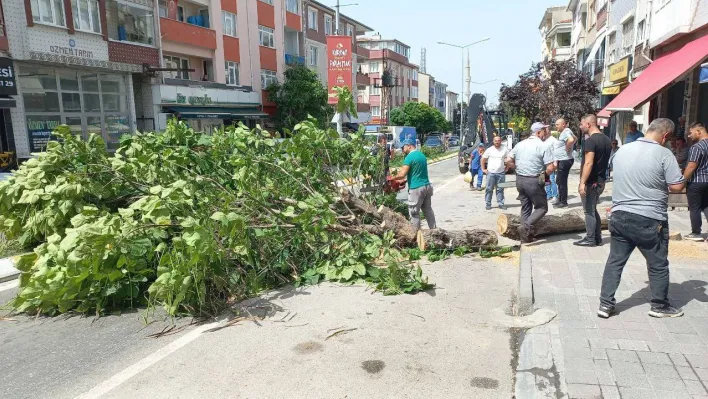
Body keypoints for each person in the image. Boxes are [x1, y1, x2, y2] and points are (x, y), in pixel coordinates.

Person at [598, 118, 686, 319]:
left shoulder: (622, 150)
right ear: (665, 136)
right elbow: (677, 186)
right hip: (649, 219)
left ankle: (605, 304)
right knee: (658, 264)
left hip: (619, 215)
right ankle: (659, 306)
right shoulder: (664, 154)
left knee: (615, 262)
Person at [506, 122, 555, 242]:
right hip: (534, 180)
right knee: (542, 207)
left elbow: (508, 160)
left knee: (526, 207)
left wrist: (517, 168)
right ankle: (525, 226)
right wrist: (544, 176)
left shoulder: (520, 144)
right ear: (538, 132)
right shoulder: (543, 146)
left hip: (520, 179)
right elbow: (550, 167)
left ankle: (525, 238)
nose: (546, 133)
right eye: (544, 131)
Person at [575, 114, 612, 247]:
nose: (580, 127)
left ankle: (590, 238)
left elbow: (588, 163)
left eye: (581, 124)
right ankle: (597, 237)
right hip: (601, 180)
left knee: (588, 211)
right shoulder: (607, 139)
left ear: (589, 124)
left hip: (592, 182)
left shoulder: (590, 141)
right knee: (593, 209)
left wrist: (582, 182)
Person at [395, 139, 436, 232]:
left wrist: (392, 178)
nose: (402, 150)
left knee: (414, 213)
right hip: (427, 186)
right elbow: (417, 173)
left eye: (403, 147)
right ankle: (434, 232)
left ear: (409, 146)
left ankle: (416, 236)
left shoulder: (409, 157)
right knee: (428, 211)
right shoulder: (422, 155)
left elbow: (402, 174)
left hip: (416, 189)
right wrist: (406, 180)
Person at [683, 122, 708, 242]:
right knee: (706, 206)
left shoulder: (696, 147)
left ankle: (696, 233)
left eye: (691, 132)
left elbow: (691, 166)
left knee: (695, 208)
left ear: (699, 131)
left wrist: (683, 180)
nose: (689, 136)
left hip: (697, 181)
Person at [553, 118, 576, 208]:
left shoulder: (566, 131)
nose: (556, 126)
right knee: (558, 181)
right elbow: (575, 138)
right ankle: (560, 199)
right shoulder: (564, 132)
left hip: (565, 160)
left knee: (562, 182)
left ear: (563, 124)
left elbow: (571, 140)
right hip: (561, 160)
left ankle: (564, 202)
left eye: (557, 124)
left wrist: (568, 147)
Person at [482, 136, 509, 210]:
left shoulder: (505, 149)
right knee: (489, 189)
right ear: (493, 142)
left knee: (500, 189)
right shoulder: (489, 150)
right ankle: (488, 204)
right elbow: (483, 159)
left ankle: (501, 203)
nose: (497, 142)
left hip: (501, 173)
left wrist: (507, 168)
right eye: (496, 141)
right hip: (491, 173)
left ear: (501, 141)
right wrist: (483, 169)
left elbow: (508, 159)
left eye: (499, 140)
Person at [543, 131, 559, 202]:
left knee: (552, 180)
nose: (544, 133)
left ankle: (555, 195)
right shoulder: (544, 140)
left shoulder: (553, 140)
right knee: (546, 179)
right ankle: (548, 194)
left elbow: (556, 151)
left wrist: (555, 162)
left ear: (548, 132)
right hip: (545, 162)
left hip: (551, 162)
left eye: (545, 132)